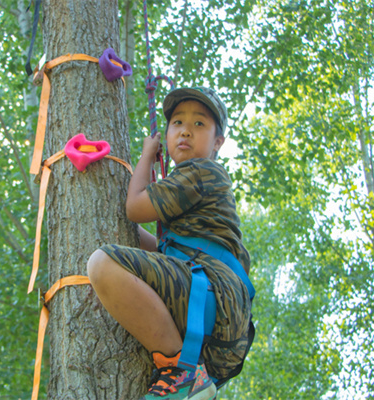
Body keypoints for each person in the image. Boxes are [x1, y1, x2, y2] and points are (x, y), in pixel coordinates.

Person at [87, 87, 253, 400]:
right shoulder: (195, 192)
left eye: (199, 124)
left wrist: (147, 156)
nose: (186, 130)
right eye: (177, 122)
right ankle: (186, 374)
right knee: (119, 259)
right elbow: (164, 247)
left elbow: (135, 208)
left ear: (218, 142)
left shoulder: (201, 172)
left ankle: (183, 373)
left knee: (102, 263)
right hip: (219, 326)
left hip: (212, 297)